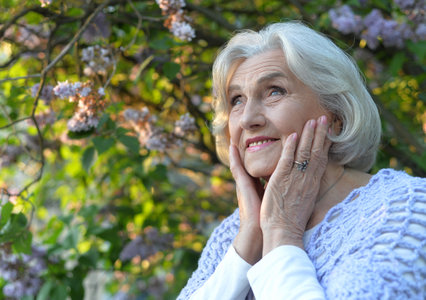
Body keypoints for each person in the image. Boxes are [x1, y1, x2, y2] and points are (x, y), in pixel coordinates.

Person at [177, 21, 426, 300]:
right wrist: (247, 243)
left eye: (274, 91)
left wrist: (282, 233)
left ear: (336, 116)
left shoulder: (407, 208)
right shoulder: (233, 233)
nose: (247, 118)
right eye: (236, 100)